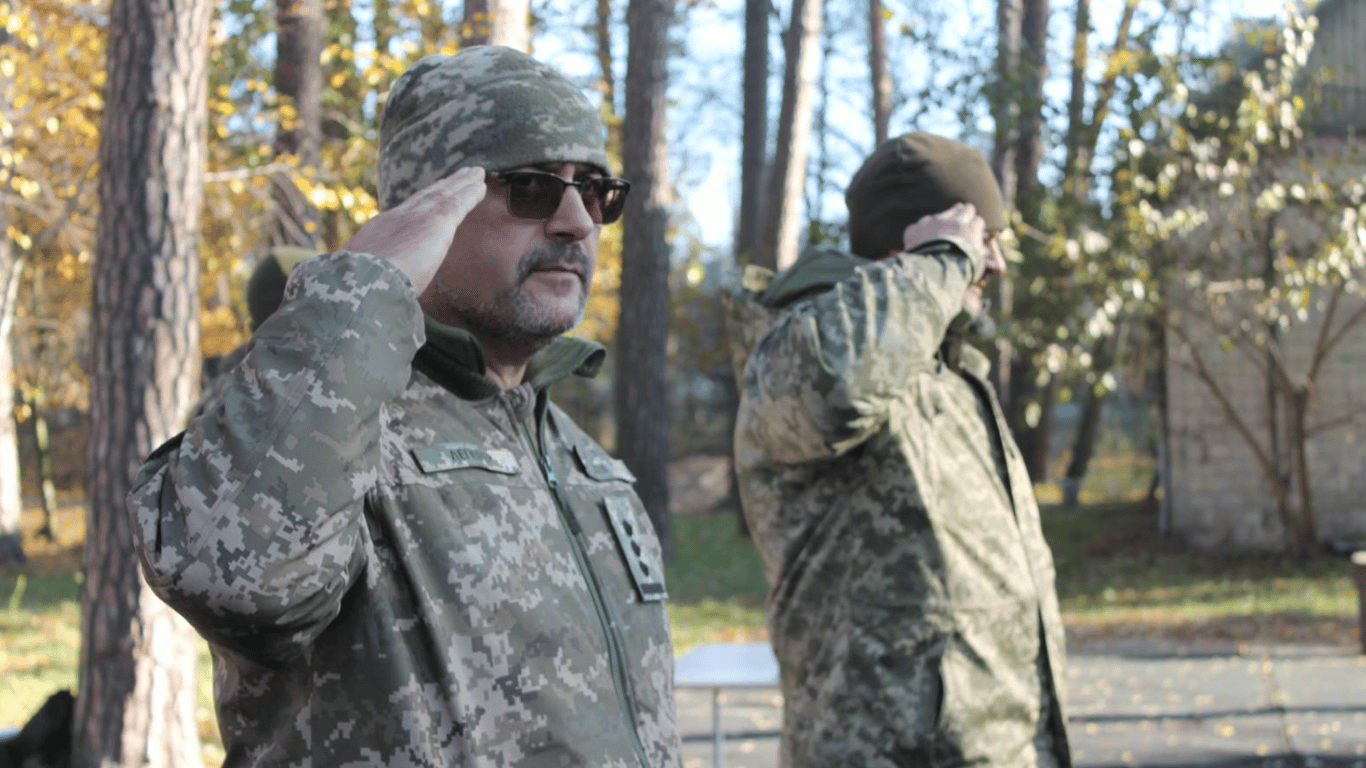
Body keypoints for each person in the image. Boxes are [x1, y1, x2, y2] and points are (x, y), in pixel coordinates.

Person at [128, 46, 681, 768]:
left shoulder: (584, 460)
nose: (578, 222)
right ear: (430, 208)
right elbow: (233, 577)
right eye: (534, 188)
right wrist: (366, 285)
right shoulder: (322, 423)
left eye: (598, 190)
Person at [725, 132, 1072, 767]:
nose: (992, 266)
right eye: (981, 242)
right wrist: (942, 260)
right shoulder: (800, 345)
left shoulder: (947, 373)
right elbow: (838, 388)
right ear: (911, 243)